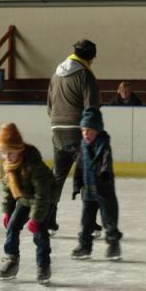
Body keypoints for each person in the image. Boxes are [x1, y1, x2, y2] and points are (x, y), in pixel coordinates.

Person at [46, 39, 101, 236]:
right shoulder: (85, 74)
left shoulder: (56, 74)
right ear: (90, 57)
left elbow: (49, 106)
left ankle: (47, 220)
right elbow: (91, 108)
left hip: (57, 129)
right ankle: (89, 224)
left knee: (57, 176)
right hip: (77, 131)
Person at [0, 123, 55, 285]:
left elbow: (42, 194)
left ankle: (43, 266)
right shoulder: (7, 166)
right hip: (25, 199)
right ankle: (12, 260)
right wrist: (7, 211)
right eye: (3, 153)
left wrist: (36, 218)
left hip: (44, 200)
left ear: (19, 150)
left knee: (40, 233)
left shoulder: (34, 165)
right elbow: (8, 190)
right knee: (12, 227)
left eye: (11, 153)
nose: (7, 157)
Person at [71, 107, 123, 261]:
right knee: (86, 221)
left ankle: (113, 246)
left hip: (104, 189)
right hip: (88, 191)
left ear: (98, 131)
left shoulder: (104, 146)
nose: (86, 134)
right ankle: (84, 246)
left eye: (90, 131)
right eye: (84, 131)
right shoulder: (83, 146)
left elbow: (106, 162)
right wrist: (77, 184)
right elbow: (79, 167)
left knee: (109, 220)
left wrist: (105, 174)